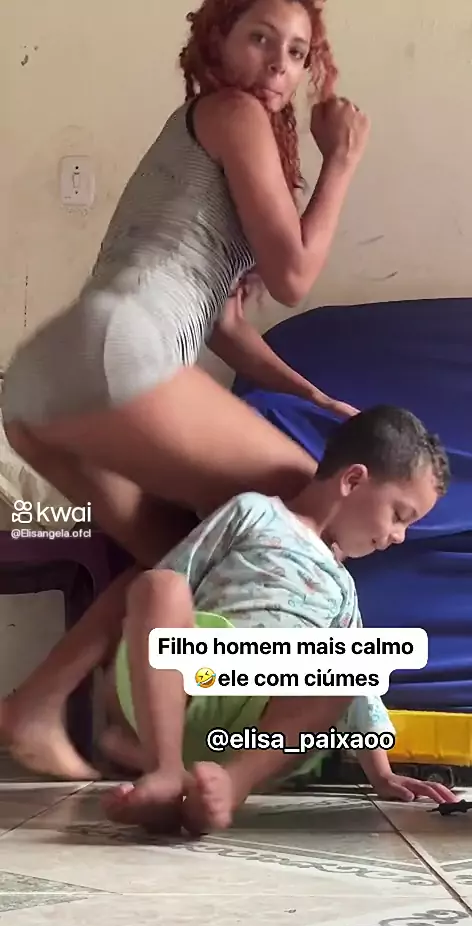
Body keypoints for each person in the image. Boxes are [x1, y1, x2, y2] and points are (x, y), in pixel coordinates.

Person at [2, 0, 369, 571]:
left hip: (39, 381)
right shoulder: (235, 112)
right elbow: (293, 277)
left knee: (186, 568)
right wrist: (341, 162)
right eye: (261, 39)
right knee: (315, 513)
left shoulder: (202, 133)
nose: (279, 64)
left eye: (297, 53)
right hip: (118, 348)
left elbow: (223, 325)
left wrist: (313, 397)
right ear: (219, 41)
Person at [0, 407, 457, 828]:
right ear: (353, 480)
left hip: (260, 726)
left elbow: (360, 692)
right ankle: (164, 770)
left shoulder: (343, 587)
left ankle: (230, 785)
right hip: (192, 678)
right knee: (159, 584)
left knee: (351, 661)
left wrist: (382, 774)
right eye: (400, 515)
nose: (399, 536)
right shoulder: (253, 512)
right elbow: (168, 588)